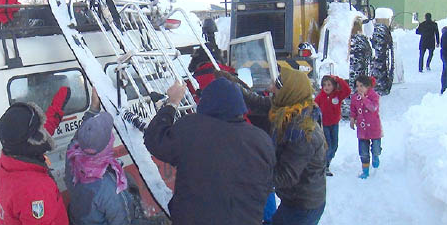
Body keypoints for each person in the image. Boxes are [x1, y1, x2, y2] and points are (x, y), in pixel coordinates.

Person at [144, 78, 276, 225]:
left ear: (207, 103)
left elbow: (155, 140)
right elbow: (266, 186)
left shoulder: (192, 128)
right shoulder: (262, 140)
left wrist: (172, 104)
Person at [241, 66, 327, 225]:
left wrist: (246, 179)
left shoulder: (302, 132)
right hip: (294, 200)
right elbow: (257, 102)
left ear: (290, 90)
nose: (270, 88)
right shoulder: (288, 108)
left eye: (277, 85)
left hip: (302, 206)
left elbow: (286, 176)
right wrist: (232, 84)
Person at [65, 89, 160, 225]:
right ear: (108, 144)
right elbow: (123, 221)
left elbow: (77, 139)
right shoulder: (111, 187)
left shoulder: (72, 159)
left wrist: (93, 108)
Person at [0, 101, 69, 225]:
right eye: (38, 129)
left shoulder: (5, 164)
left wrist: (56, 108)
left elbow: (35, 137)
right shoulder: (36, 189)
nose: (43, 131)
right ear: (31, 141)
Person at [314, 75, 351, 176]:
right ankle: (324, 166)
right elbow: (313, 106)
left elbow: (347, 90)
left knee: (335, 146)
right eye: (324, 85)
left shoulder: (337, 95)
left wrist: (338, 79)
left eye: (329, 85)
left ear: (334, 86)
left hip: (334, 124)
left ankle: (327, 163)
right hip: (324, 125)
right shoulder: (320, 97)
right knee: (328, 146)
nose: (326, 87)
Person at [349, 75, 382, 179]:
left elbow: (373, 108)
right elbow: (353, 109)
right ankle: (365, 171)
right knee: (363, 151)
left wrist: (364, 99)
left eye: (362, 86)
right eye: (357, 86)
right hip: (362, 129)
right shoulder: (355, 98)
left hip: (374, 128)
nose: (359, 88)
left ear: (368, 87)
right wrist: (352, 119)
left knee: (375, 148)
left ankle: (376, 156)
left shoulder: (374, 96)